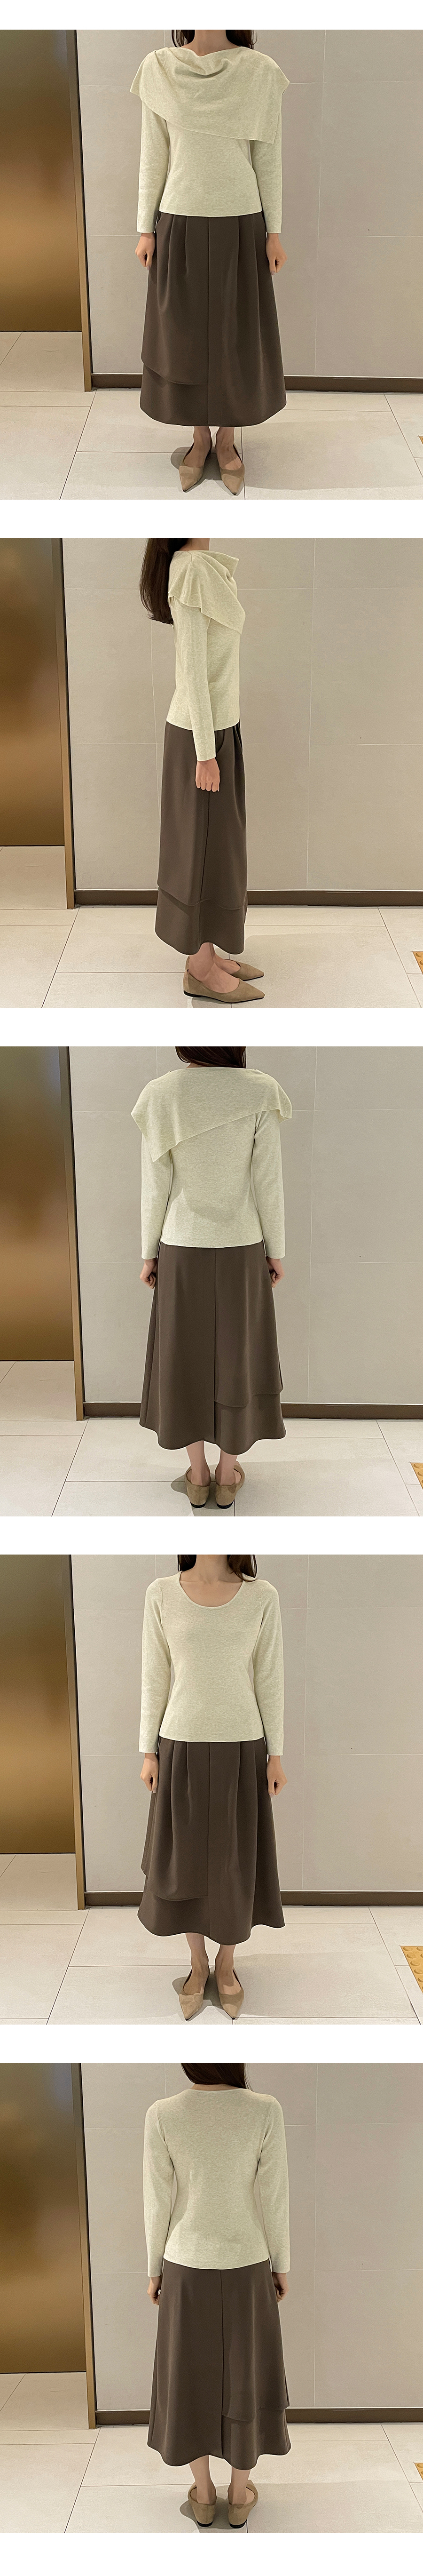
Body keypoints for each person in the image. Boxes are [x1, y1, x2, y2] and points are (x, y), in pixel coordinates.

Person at [131, 1043, 291, 1506]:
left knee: (184, 1358)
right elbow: (268, 1181)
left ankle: (198, 1475)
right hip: (243, 1245)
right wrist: (276, 1251)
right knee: (239, 1355)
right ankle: (227, 1472)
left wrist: (148, 1253)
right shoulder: (261, 1090)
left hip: (182, 1245)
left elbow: (155, 1184)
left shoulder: (161, 1094)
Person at [131, 30, 288, 491]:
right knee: (183, 337)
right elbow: (154, 152)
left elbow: (269, 156)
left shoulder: (259, 72)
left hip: (241, 221)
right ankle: (199, 437)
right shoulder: (161, 68)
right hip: (178, 219)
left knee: (236, 336)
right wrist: (145, 228)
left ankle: (227, 439)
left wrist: (274, 233)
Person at [139, 1550, 286, 2017]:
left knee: (232, 1864)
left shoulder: (262, 1597)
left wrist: (276, 1754)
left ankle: (226, 1964)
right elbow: (154, 1673)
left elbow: (270, 1677)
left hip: (242, 1745)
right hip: (179, 1743)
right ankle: (197, 1963)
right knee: (185, 1863)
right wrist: (148, 1750)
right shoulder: (161, 1593)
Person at [144, 2063, 290, 2527]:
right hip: (249, 2262)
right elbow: (275, 2194)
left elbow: (157, 2199)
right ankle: (240, 2492)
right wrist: (281, 2263)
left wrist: (154, 2270)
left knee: (188, 2375)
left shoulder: (163, 2113)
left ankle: (204, 2494)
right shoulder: (265, 2109)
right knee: (247, 2373)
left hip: (185, 2264)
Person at [140, 534, 264, 1000]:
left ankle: (209, 954)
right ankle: (199, 968)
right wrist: (206, 753)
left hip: (219, 728)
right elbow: (192, 671)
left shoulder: (205, 568)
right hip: (201, 736)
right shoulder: (192, 571)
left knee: (219, 849)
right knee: (200, 852)